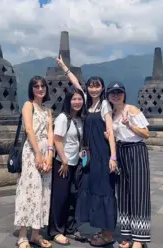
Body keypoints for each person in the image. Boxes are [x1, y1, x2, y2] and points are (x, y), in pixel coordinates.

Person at [56, 56, 117, 247]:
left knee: (105, 191)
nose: (94, 89)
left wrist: (113, 157)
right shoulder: (87, 104)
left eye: (97, 86)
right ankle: (101, 230)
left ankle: (108, 234)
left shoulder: (105, 105)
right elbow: (75, 84)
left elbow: (111, 132)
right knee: (94, 191)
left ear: (102, 87)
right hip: (89, 156)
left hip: (104, 154)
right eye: (91, 86)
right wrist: (64, 67)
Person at [106, 81, 151, 248]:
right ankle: (126, 235)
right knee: (123, 193)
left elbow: (146, 133)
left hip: (136, 150)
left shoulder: (131, 110)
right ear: (108, 96)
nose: (116, 95)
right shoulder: (111, 114)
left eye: (119, 92)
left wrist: (129, 125)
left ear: (124, 94)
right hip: (121, 151)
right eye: (112, 93)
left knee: (138, 192)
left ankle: (139, 239)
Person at [14, 76, 54, 248]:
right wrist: (38, 154)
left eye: (42, 86)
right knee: (29, 189)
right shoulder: (28, 105)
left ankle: (35, 234)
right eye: (36, 86)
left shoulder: (47, 110)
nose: (40, 89)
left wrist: (49, 155)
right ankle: (22, 235)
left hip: (46, 152)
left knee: (44, 192)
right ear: (31, 89)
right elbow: (29, 129)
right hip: (32, 151)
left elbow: (50, 132)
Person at [48, 87, 87, 245]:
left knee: (73, 195)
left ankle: (69, 228)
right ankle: (56, 231)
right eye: (74, 99)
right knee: (60, 197)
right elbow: (56, 139)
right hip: (62, 163)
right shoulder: (63, 118)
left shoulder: (79, 119)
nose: (77, 102)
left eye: (80, 99)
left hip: (75, 163)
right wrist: (63, 159)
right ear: (68, 101)